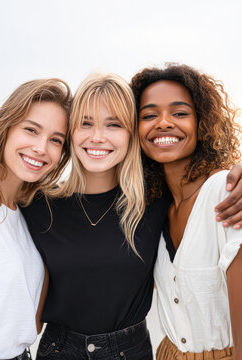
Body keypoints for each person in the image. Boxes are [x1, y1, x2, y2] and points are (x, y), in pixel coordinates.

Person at [21, 73, 171, 360]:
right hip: (58, 350)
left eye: (113, 124)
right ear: (71, 132)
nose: (97, 137)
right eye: (86, 123)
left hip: (131, 351)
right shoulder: (38, 206)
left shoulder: (155, 202)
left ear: (130, 133)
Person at [130, 64, 242, 359]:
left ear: (202, 122)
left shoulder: (226, 192)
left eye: (180, 113)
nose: (164, 123)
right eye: (149, 115)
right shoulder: (153, 208)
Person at [0, 78, 71, 359]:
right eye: (31, 130)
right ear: (5, 129)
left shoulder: (27, 216)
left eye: (56, 140)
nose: (41, 148)